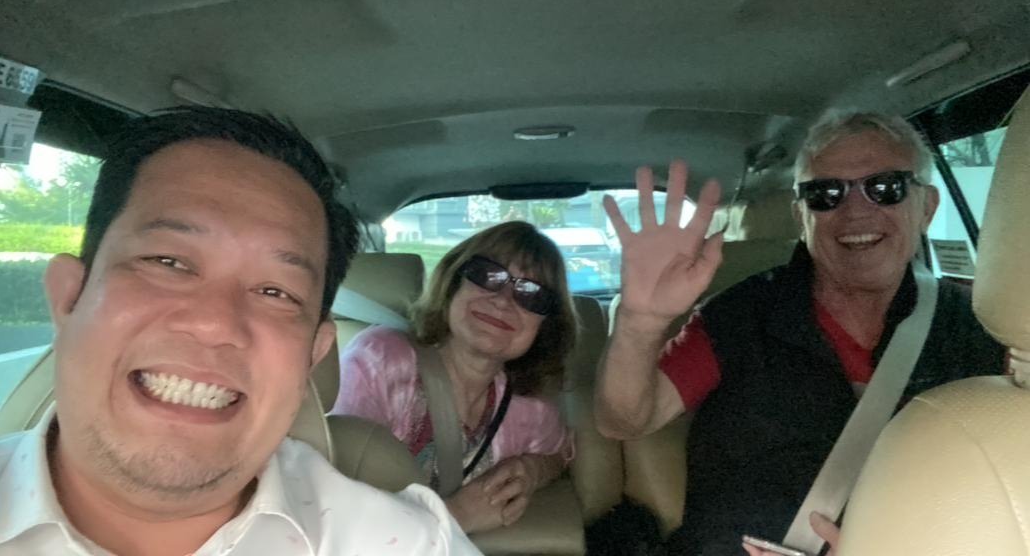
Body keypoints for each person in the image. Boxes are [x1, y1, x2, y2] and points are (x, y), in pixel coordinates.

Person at [0, 107, 480, 556]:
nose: (214, 323)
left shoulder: (409, 544)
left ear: (313, 355)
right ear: (68, 297)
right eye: (167, 262)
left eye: (275, 292)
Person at [594, 111, 1006, 555]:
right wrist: (640, 322)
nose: (856, 212)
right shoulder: (739, 315)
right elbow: (625, 421)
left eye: (885, 188)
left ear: (927, 206)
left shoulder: (982, 326)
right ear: (801, 216)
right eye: (825, 194)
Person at [330, 221, 577, 534]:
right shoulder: (380, 359)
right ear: (453, 282)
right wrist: (456, 516)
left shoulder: (527, 405)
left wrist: (531, 471)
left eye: (531, 295)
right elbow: (332, 500)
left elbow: (559, 453)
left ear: (545, 327)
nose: (503, 300)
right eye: (488, 275)